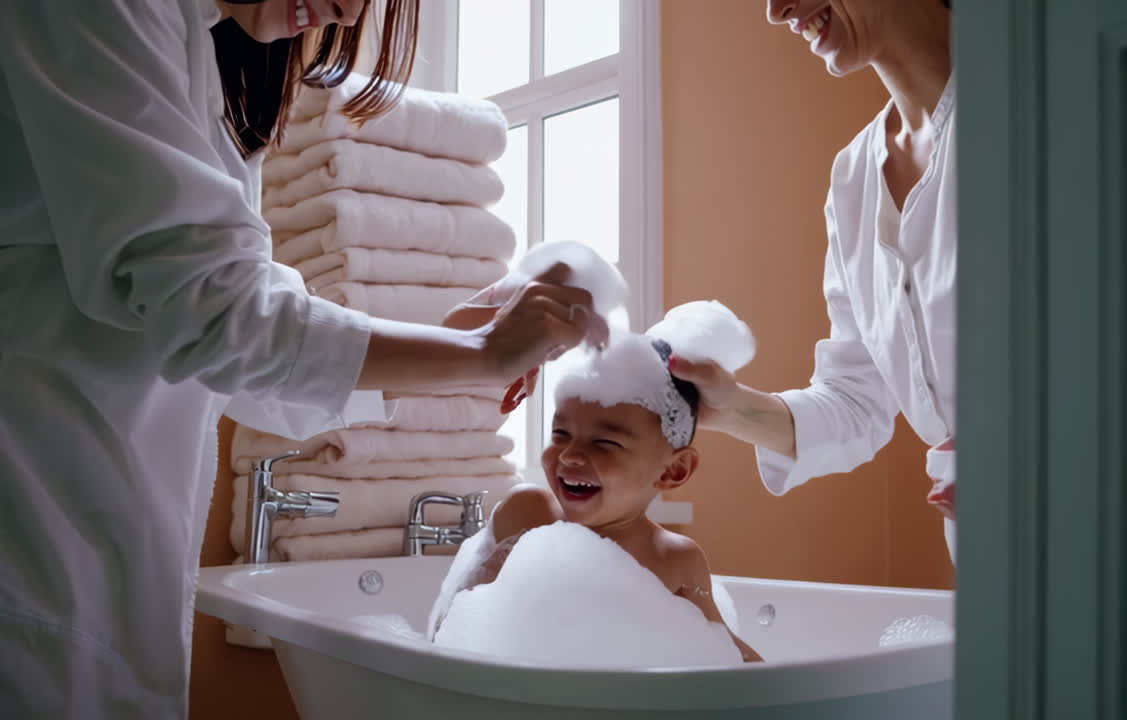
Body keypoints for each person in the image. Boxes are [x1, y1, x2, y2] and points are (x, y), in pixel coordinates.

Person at [0, 1, 597, 716]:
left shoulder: (211, 71)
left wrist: (452, 335)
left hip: (92, 537)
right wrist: (478, 353)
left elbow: (234, 340)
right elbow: (219, 317)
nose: (347, 10)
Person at [668, 0, 959, 563]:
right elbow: (856, 401)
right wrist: (730, 408)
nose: (777, 11)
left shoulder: (1046, 99)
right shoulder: (853, 177)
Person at [437, 303, 763, 663]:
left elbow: (725, 653)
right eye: (560, 433)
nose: (569, 456)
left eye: (605, 442)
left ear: (674, 471)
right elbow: (458, 626)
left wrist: (778, 689)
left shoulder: (674, 559)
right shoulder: (528, 513)